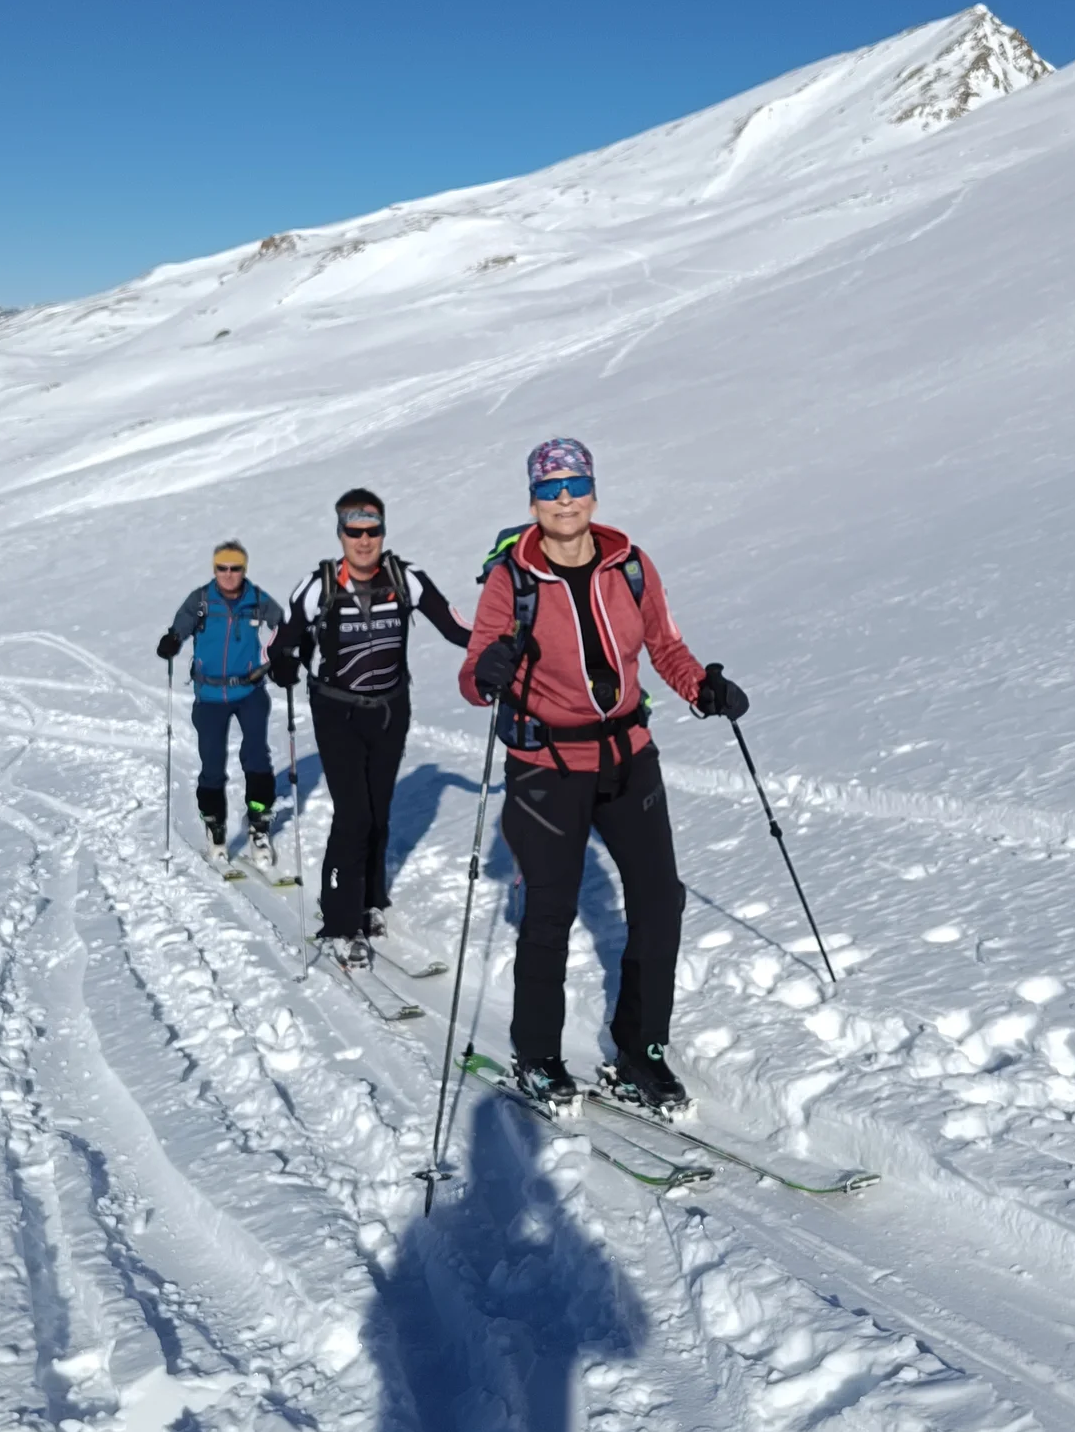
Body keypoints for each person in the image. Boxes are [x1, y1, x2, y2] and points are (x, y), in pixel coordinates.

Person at [459, 436, 747, 1116]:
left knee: (659, 901)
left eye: (576, 485)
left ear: (593, 491)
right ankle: (538, 1057)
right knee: (550, 911)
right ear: (533, 499)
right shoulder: (513, 578)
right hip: (546, 767)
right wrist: (489, 673)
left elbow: (665, 645)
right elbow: (474, 674)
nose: (565, 500)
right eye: (551, 489)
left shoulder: (631, 565)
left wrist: (701, 688)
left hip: (627, 756)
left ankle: (641, 1051)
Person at [269, 487, 471, 963]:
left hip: (390, 709)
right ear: (340, 533)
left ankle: (371, 900)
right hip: (336, 711)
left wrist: (505, 643)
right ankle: (340, 920)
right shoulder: (317, 585)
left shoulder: (406, 578)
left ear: (383, 531)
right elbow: (282, 640)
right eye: (354, 531)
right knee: (354, 814)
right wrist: (283, 662)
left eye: (372, 530)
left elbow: (457, 628)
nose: (364, 540)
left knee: (379, 811)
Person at [156, 541, 287, 864]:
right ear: (215, 569)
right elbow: (181, 628)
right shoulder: (200, 601)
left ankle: (259, 823)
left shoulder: (257, 600)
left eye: (235, 568)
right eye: (222, 568)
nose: (229, 575)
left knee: (257, 757)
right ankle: (214, 824)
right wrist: (172, 641)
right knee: (212, 763)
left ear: (244, 569)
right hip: (210, 696)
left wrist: (282, 655)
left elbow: (285, 628)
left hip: (250, 691)